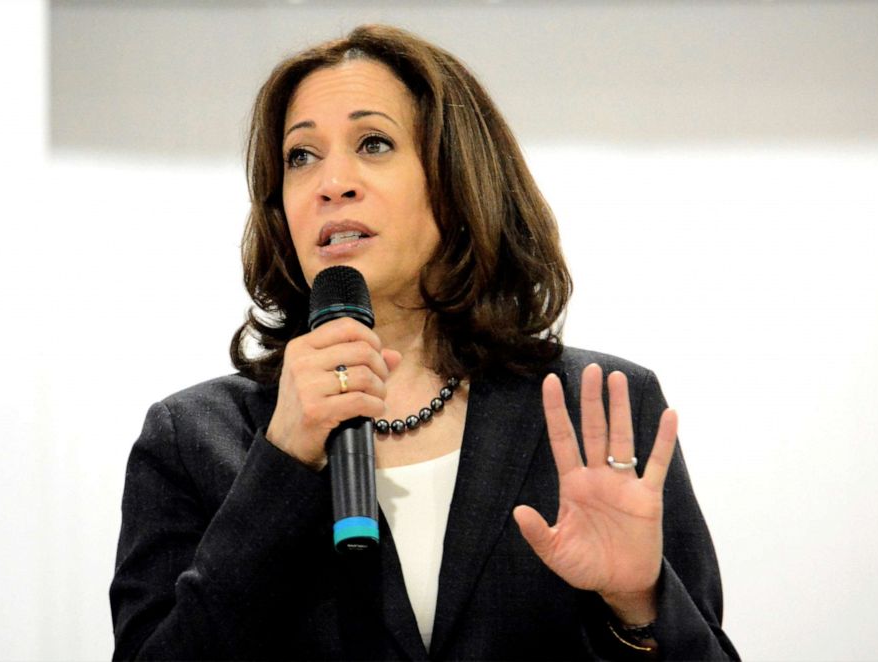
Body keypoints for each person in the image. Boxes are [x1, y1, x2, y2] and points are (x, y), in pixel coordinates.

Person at [110, 24, 738, 661]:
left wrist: (637, 606)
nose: (332, 183)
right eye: (301, 157)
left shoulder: (599, 409)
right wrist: (280, 465)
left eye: (374, 143)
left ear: (457, 181)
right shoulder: (191, 439)